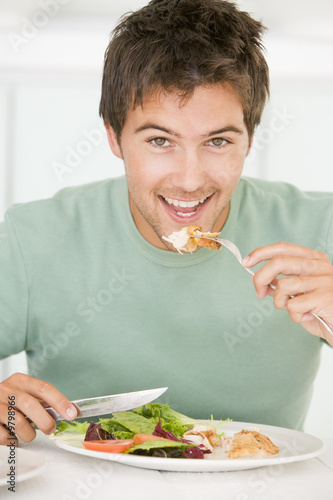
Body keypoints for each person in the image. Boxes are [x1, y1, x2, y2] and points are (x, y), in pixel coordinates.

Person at [0, 0, 332, 447]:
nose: (190, 179)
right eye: (160, 140)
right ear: (114, 137)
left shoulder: (320, 229)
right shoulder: (30, 239)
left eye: (217, 141)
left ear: (250, 139)